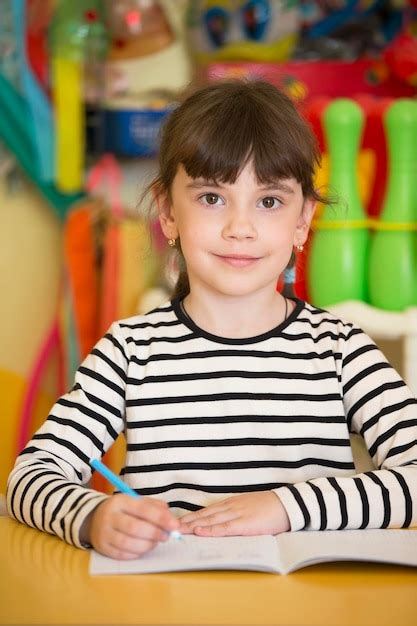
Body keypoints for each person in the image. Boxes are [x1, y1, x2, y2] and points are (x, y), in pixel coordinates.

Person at [7, 80, 417, 560]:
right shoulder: (130, 350)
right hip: (169, 602)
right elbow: (29, 477)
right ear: (167, 212)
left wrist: (286, 506)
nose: (239, 228)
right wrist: (93, 517)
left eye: (269, 201)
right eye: (211, 198)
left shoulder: (340, 350)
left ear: (303, 220)